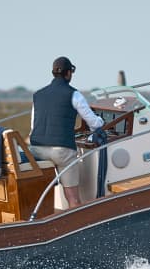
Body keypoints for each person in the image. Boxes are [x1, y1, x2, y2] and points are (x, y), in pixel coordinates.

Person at [29, 56, 104, 209]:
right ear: (69, 73)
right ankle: (75, 219)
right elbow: (93, 123)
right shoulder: (74, 94)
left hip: (37, 150)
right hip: (61, 151)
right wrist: (102, 122)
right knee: (73, 199)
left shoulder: (38, 95)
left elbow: (33, 126)